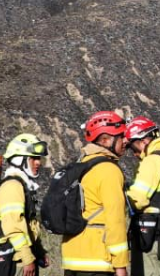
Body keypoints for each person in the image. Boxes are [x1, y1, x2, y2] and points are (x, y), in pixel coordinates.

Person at [60, 111, 130, 276]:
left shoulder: (81, 164)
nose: (125, 140)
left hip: (72, 258)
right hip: (98, 261)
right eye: (120, 136)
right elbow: (115, 220)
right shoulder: (108, 170)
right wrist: (120, 265)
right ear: (105, 140)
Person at [125, 117, 160, 276]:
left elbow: (138, 199)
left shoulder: (152, 161)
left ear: (143, 141)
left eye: (132, 147)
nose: (134, 153)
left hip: (153, 239)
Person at [0, 134, 50, 276]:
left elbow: (29, 226)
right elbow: (13, 227)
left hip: (20, 258)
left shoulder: (22, 186)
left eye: (38, 158)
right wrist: (28, 258)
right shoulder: (12, 187)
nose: (38, 162)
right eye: (33, 158)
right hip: (15, 260)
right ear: (19, 159)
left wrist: (39, 251)